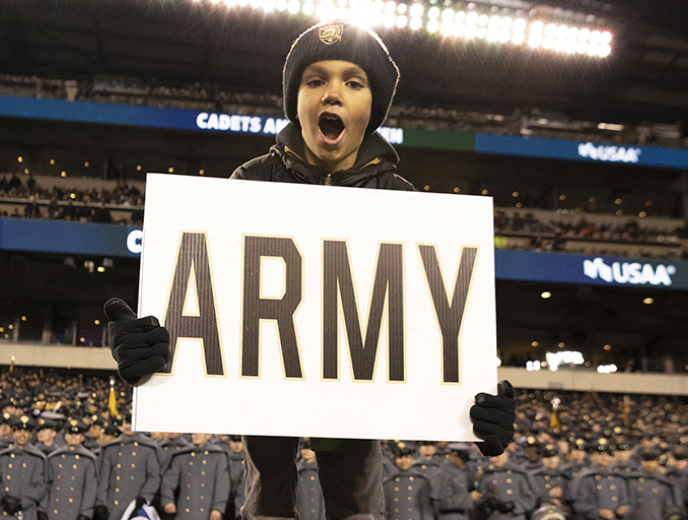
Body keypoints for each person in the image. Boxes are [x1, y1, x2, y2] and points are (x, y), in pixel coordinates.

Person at [103, 20, 515, 520]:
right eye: (315, 80)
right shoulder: (249, 182)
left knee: (358, 503)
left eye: (353, 82)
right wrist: (146, 342)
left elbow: (430, 327)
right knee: (264, 504)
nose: (333, 93)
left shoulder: (402, 201)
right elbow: (207, 287)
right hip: (265, 382)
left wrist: (476, 404)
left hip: (357, 396)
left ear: (373, 108)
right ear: (295, 100)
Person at [94, 414, 161, 520]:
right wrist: (101, 504)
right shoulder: (111, 448)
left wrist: (145, 497)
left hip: (135, 506)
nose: (128, 426)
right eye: (126, 423)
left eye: (132, 423)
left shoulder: (148, 449)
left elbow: (154, 477)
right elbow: (103, 479)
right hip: (112, 505)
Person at [0, 415, 49, 520]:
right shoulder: (2, 457)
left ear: (30, 434)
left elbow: (40, 485)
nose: (22, 434)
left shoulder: (38, 458)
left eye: (26, 431)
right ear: (13, 433)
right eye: (18, 431)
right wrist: (3, 498)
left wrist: (22, 502)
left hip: (26, 510)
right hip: (2, 509)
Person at [159, 433, 230, 520]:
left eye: (200, 433)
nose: (196, 436)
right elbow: (169, 480)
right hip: (185, 510)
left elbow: (222, 484)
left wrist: (218, 508)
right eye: (194, 433)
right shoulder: (183, 455)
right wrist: (168, 500)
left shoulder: (218, 456)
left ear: (208, 435)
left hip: (208, 511)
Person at [45, 420, 98, 520]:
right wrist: (43, 509)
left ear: (82, 437)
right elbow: (47, 486)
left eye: (77, 434)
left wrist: (86, 512)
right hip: (54, 510)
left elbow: (90, 489)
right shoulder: (54, 457)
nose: (73, 436)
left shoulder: (88, 459)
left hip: (76, 511)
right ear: (65, 436)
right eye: (70, 433)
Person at [473, 449, 537, 520]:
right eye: (492, 457)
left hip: (515, 517)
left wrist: (514, 506)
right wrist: (486, 504)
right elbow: (478, 496)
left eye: (497, 456)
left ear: (506, 454)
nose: (493, 459)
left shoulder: (517, 474)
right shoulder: (487, 475)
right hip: (495, 516)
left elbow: (529, 498)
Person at [382, 445, 433, 520]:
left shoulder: (421, 481)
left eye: (407, 457)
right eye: (400, 458)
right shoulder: (388, 483)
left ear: (412, 460)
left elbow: (425, 508)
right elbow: (386, 510)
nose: (403, 461)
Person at [296, 439, 324, 520]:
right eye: (303, 447)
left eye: (309, 447)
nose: (306, 451)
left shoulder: (323, 473)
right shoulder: (297, 473)